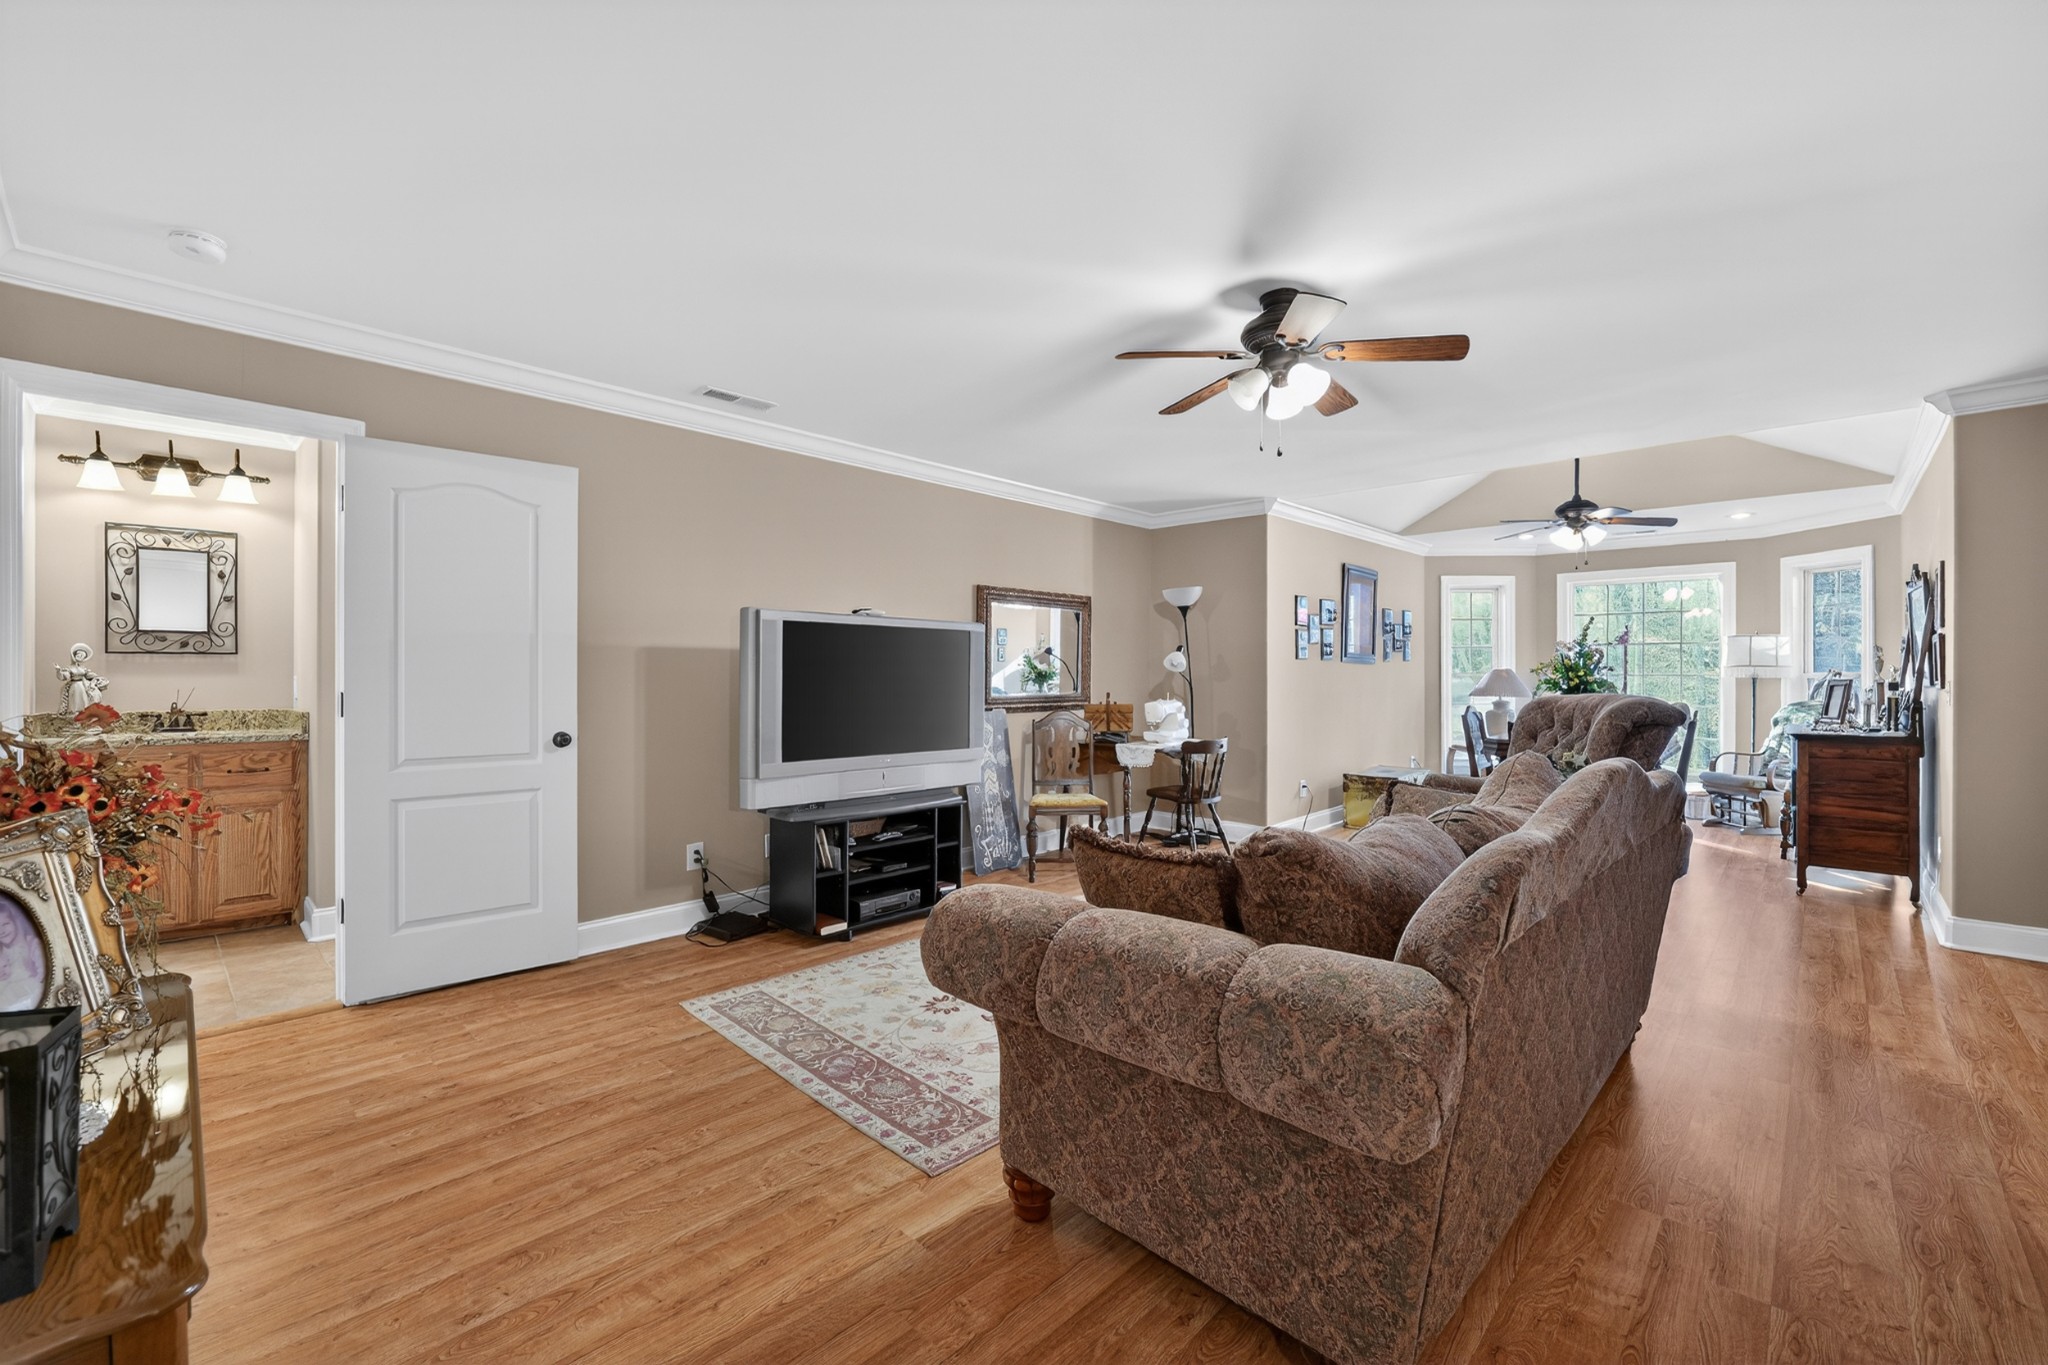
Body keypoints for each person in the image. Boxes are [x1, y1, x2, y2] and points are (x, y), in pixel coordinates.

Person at [55, 642, 110, 712]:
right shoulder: (70, 668)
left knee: (85, 697)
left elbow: (89, 674)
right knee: (77, 697)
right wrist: (59, 671)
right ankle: (75, 711)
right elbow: (65, 676)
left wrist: (96, 677)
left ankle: (84, 711)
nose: (80, 657)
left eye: (82, 656)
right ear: (74, 655)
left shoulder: (83, 668)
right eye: (78, 655)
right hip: (75, 685)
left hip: (84, 684)